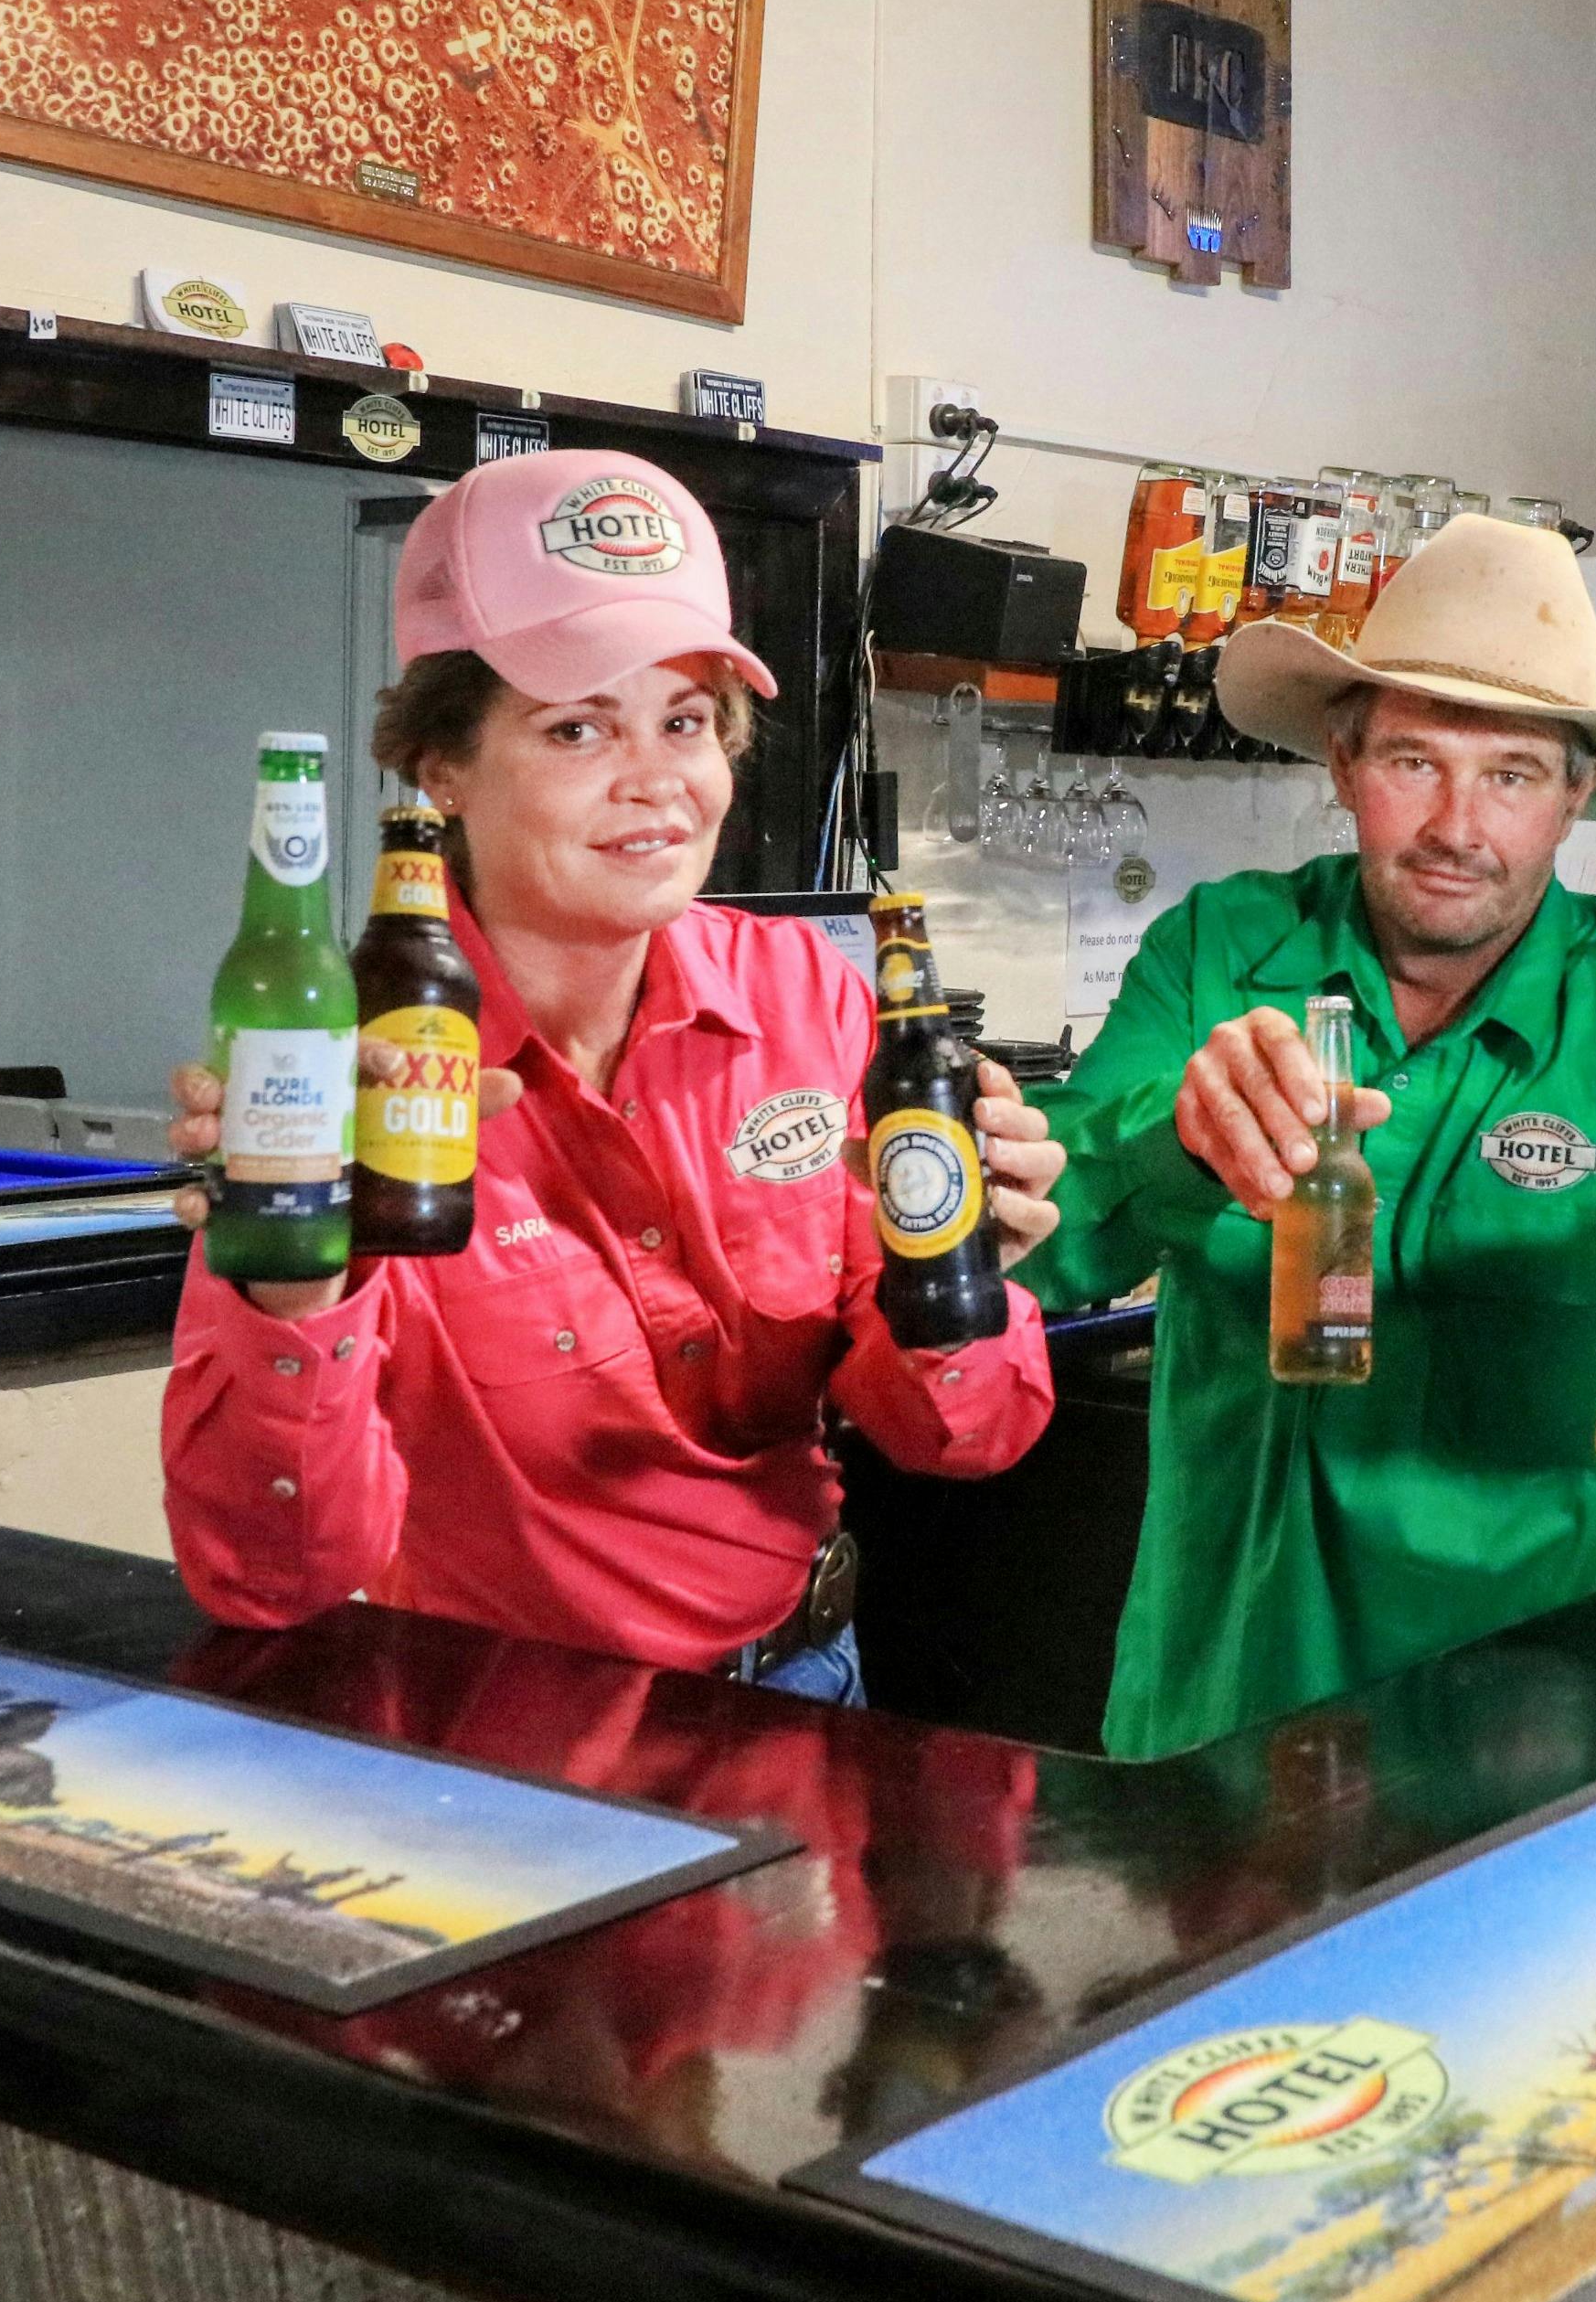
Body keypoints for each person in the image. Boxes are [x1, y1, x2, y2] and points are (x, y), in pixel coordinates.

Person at [155, 449, 1066, 1702]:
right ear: (441, 767)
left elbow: (961, 1435)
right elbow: (271, 1579)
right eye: (576, 726)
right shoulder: (346, 1066)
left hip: (810, 1689)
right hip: (507, 1732)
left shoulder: (807, 995)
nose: (655, 781)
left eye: (683, 721)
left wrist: (961, 1272)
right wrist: (295, 1276)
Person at [1018, 513, 1596, 1758]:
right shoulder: (1214, 952)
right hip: (1215, 1703)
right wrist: (1181, 1133)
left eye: (1511, 774)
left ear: (1575, 796)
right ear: (1343, 763)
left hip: (1520, 1726)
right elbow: (1033, 1242)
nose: (1455, 824)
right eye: (1412, 760)